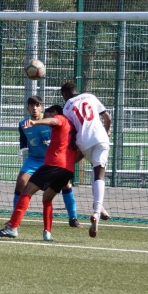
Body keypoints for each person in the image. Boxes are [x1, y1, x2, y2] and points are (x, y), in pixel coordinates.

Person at [0, 105, 77, 242]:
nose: (46, 119)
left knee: (27, 191)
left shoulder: (59, 118)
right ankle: (47, 233)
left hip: (54, 164)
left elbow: (53, 121)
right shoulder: (73, 125)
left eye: (47, 115)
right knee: (47, 197)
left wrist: (35, 122)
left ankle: (12, 227)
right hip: (67, 168)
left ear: (54, 113)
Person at [59, 80, 112, 238]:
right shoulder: (90, 97)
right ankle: (96, 211)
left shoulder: (67, 107)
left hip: (83, 143)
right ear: (75, 89)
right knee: (99, 174)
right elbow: (108, 118)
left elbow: (70, 130)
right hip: (100, 138)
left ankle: (99, 207)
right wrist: (106, 132)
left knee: (94, 170)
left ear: (64, 94)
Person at [16, 95, 79, 227]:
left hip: (51, 160)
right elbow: (24, 141)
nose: (34, 108)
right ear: (27, 108)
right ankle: (15, 217)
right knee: (21, 181)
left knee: (66, 184)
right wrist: (22, 149)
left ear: (42, 108)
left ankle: (73, 217)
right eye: (32, 106)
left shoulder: (49, 122)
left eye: (37, 105)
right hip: (33, 159)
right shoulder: (22, 124)